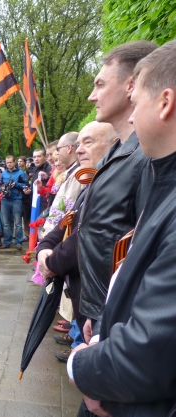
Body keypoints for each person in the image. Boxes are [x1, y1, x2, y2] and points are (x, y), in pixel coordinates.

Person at [69, 40, 176, 417]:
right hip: (109, 338)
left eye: (138, 100)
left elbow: (155, 341)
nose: (130, 117)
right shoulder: (144, 162)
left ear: (164, 101)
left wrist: (85, 364)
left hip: (135, 384)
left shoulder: (148, 164)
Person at [79, 40, 157, 344]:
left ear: (131, 86)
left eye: (100, 84)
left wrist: (114, 322)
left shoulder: (147, 156)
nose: (91, 96)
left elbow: (145, 251)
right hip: (101, 311)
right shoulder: (119, 151)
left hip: (120, 320)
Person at [37, 121, 118, 361]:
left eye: (88, 142)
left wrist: (52, 263)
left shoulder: (109, 184)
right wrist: (44, 247)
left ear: (114, 145)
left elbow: (85, 237)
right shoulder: (92, 179)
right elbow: (69, 219)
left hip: (97, 296)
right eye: (78, 143)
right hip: (84, 290)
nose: (79, 149)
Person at [38, 133, 82, 240]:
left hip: (60, 235)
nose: (56, 153)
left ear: (68, 148)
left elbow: (66, 207)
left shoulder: (78, 174)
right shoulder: (69, 172)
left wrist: (48, 233)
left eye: (58, 149)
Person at [0, 155, 28, 250]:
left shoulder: (21, 173)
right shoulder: (3, 174)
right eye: (7, 163)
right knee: (6, 223)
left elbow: (26, 185)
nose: (9, 164)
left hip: (16, 199)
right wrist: (2, 188)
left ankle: (18, 242)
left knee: (18, 223)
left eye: (10, 162)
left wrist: (16, 184)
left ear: (14, 162)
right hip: (5, 200)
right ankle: (7, 242)